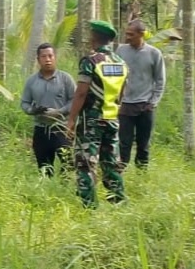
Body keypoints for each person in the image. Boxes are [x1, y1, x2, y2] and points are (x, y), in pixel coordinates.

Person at [65, 20, 128, 207]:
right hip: (112, 118)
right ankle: (118, 200)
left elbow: (82, 92)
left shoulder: (90, 61)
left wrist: (71, 119)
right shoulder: (121, 63)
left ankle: (89, 206)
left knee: (86, 162)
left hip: (91, 120)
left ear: (95, 37)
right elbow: (121, 93)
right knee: (111, 162)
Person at [20, 43, 76, 175]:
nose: (48, 59)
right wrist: (32, 110)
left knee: (67, 165)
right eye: (43, 56)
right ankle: (47, 190)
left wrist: (60, 112)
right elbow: (25, 102)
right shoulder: (31, 81)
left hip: (61, 128)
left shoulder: (66, 79)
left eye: (50, 56)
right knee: (44, 169)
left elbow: (74, 100)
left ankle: (64, 190)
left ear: (55, 57)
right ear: (38, 59)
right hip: (41, 129)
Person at [117, 19, 166, 168]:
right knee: (123, 143)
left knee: (143, 145)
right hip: (125, 105)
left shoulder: (154, 53)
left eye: (131, 34)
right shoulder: (120, 51)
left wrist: (153, 102)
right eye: (127, 34)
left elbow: (160, 79)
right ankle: (120, 174)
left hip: (145, 106)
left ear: (141, 34)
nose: (128, 37)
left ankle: (141, 174)